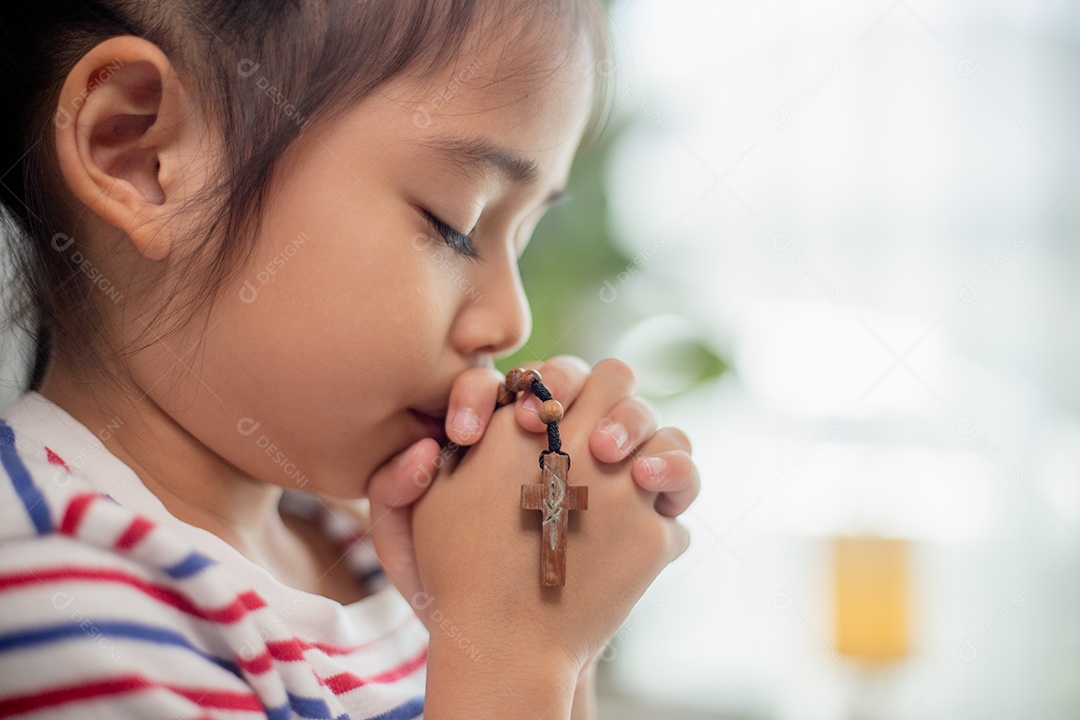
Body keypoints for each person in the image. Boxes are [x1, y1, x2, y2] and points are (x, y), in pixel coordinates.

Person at [0, 1, 700, 717]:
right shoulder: (53, 595)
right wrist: (513, 649)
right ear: (138, 153)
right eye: (455, 224)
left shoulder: (382, 555)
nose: (511, 319)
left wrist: (549, 625)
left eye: (521, 239)